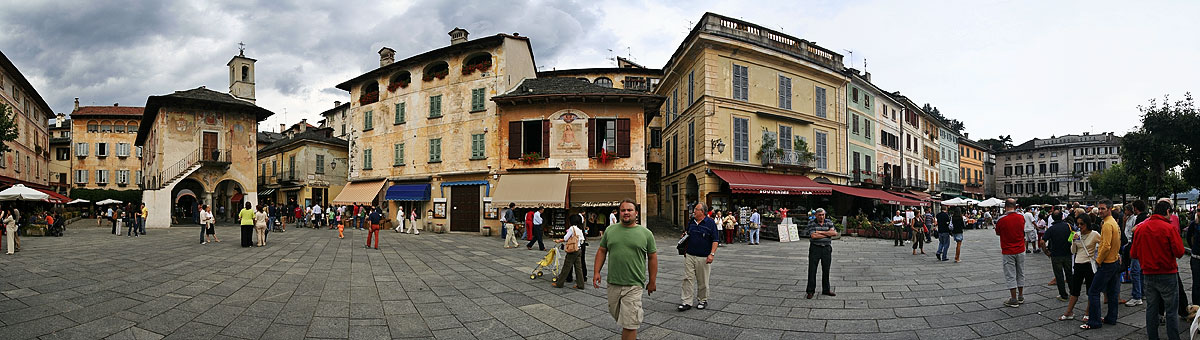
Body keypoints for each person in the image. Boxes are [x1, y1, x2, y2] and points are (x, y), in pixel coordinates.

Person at [592, 199, 657, 340]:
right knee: (617, 315)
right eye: (623, 210)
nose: (626, 212)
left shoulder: (646, 233)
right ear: (619, 212)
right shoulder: (610, 230)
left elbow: (652, 257)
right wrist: (596, 271)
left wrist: (652, 281)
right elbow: (602, 251)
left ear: (636, 213)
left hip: (634, 284)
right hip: (613, 283)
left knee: (630, 323)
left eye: (629, 210)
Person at [1129, 200, 1186, 340]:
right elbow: (1179, 252)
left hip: (1148, 274)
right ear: (1167, 211)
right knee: (1171, 311)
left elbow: (1133, 254)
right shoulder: (1169, 228)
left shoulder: (1141, 228)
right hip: (1168, 274)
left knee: (1151, 309)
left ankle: (1153, 337)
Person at [1083, 200, 1122, 330]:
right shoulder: (1114, 223)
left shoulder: (1106, 225)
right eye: (1099, 209)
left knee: (1093, 292)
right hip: (1115, 261)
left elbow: (1105, 246)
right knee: (1112, 292)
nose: (1100, 211)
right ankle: (1111, 317)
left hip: (1107, 263)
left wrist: (1098, 260)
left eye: (1103, 209)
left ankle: (1094, 321)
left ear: (1109, 209)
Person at [679, 203, 718, 311]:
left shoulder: (710, 223)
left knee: (703, 280)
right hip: (690, 254)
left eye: (696, 209)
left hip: (703, 256)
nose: (693, 211)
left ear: (702, 212)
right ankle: (687, 301)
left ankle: (703, 300)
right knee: (687, 278)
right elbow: (687, 233)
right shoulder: (691, 221)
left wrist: (712, 254)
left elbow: (715, 240)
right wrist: (684, 237)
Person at [1061, 213, 1099, 321]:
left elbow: (1103, 245)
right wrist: (1073, 241)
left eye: (1082, 224)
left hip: (1089, 264)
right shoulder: (1075, 234)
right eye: (1078, 224)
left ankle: (1088, 312)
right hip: (1078, 263)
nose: (1080, 226)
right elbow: (1073, 251)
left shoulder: (1095, 234)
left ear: (1087, 223)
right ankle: (1069, 311)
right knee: (1075, 289)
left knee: (1090, 290)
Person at [996, 199, 1027, 307]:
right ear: (1015, 206)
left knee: (1010, 274)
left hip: (1008, 250)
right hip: (1021, 249)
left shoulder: (1001, 219)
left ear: (1005, 207)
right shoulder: (1021, 217)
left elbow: (998, 232)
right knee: (1020, 272)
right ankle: (1021, 296)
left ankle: (1013, 299)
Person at [1042, 210, 1075, 302]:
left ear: (1052, 217)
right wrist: (1069, 242)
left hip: (1056, 255)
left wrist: (1046, 251)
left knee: (1059, 275)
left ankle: (1063, 295)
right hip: (1068, 253)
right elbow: (1075, 235)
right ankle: (1073, 293)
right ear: (1062, 217)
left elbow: (1042, 241)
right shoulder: (1069, 226)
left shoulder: (1051, 229)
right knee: (1069, 274)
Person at [805, 208, 838, 299]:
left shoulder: (829, 222)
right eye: (819, 215)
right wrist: (827, 233)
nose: (822, 217)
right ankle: (810, 291)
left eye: (823, 215)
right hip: (815, 248)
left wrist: (820, 232)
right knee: (812, 270)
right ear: (816, 215)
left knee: (826, 270)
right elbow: (813, 236)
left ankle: (826, 290)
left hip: (826, 248)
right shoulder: (812, 223)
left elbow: (834, 233)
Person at [1125, 200, 1148, 307]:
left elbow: (1136, 235)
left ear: (1135, 208)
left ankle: (1136, 296)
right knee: (1141, 272)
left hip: (1138, 249)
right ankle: (1142, 293)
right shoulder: (1146, 217)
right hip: (1144, 249)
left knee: (1135, 272)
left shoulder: (1139, 219)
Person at [552, 219, 586, 290]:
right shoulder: (580, 229)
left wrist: (560, 240)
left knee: (566, 267)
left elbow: (565, 238)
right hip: (579, 249)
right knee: (578, 268)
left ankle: (559, 283)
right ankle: (581, 284)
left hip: (572, 250)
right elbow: (582, 240)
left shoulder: (572, 228)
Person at [1187, 210, 1200, 306]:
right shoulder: (1194, 224)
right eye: (1198, 210)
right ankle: (1196, 308)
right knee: (1196, 284)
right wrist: (1194, 248)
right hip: (1196, 258)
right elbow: (1188, 237)